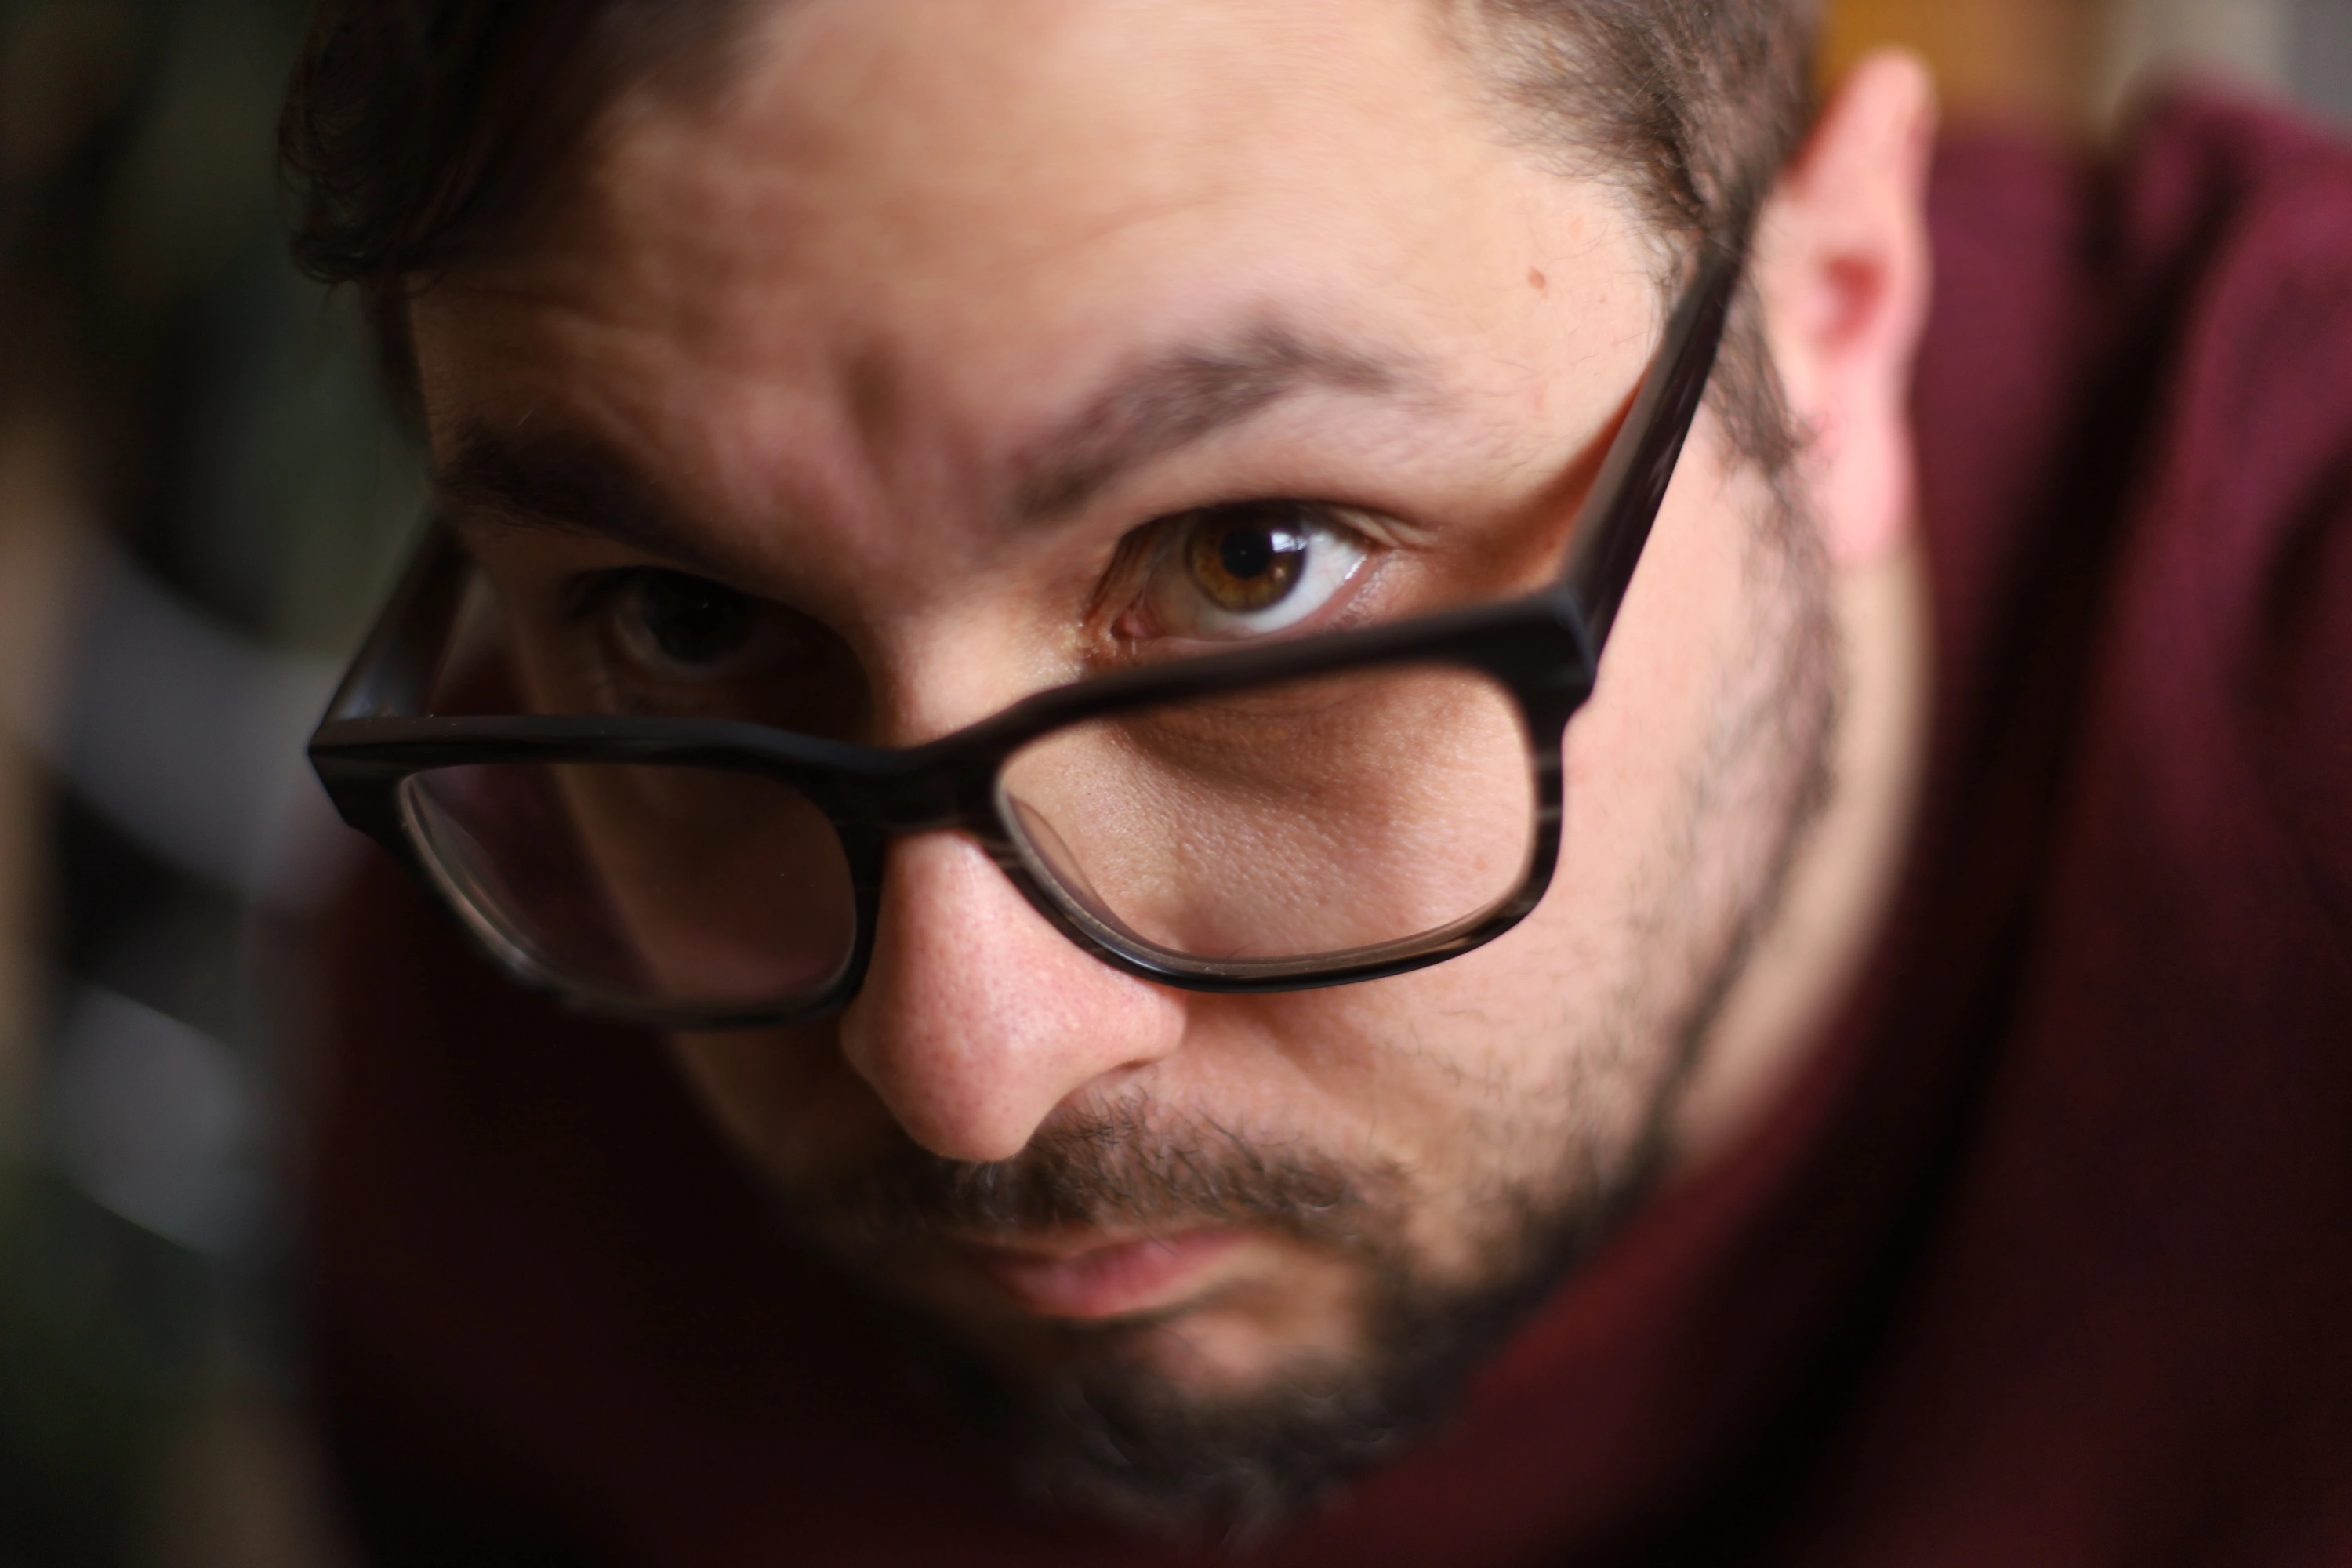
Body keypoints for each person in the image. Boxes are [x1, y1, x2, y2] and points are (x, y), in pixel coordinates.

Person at [281, 1, 2352, 1563]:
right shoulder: (513, 1054)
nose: (966, 1072)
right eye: (687, 620)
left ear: (1829, 324)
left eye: (1248, 562)